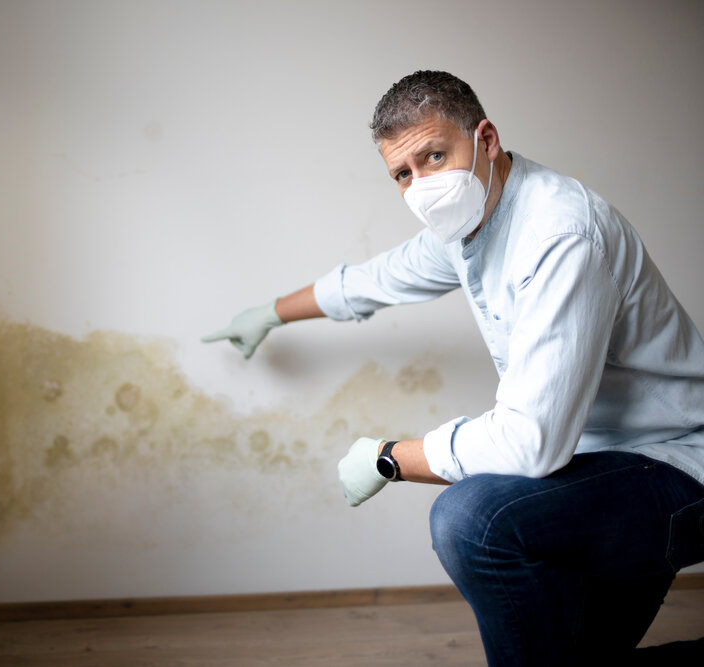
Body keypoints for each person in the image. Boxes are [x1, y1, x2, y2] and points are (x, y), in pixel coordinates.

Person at [202, 70, 704, 665]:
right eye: (402, 174)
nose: (422, 185)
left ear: (486, 139)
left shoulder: (559, 233)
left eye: (434, 155)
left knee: (472, 518)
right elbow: (375, 280)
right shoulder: (471, 226)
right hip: (596, 465)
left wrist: (389, 456)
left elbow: (530, 445)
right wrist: (270, 314)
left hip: (678, 464)